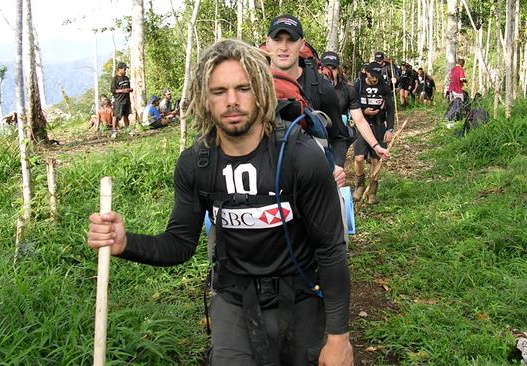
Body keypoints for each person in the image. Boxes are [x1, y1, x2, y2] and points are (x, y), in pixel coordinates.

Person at [86, 38, 353, 366]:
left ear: (260, 92)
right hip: (234, 298)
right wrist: (126, 243)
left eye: (243, 88)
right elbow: (180, 243)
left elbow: (330, 248)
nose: (232, 101)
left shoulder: (300, 156)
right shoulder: (196, 164)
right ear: (204, 99)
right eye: (219, 91)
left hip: (300, 295)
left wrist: (339, 337)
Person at [265, 14, 349, 187]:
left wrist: (337, 166)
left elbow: (339, 137)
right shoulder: (250, 85)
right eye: (278, 39)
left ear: (302, 44)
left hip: (312, 182)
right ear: (267, 43)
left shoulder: (322, 88)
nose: (284, 47)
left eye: (291, 40)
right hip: (264, 184)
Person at [321, 51, 390, 163]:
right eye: (325, 68)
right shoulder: (312, 89)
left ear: (338, 70)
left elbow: (360, 121)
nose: (328, 73)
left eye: (333, 68)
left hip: (338, 138)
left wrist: (376, 146)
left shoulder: (348, 90)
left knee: (335, 171)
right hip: (316, 136)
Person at [352, 62, 395, 204]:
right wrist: (364, 112)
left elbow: (390, 109)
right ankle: (359, 185)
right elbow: (351, 105)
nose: (375, 79)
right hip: (362, 124)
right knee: (359, 158)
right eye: (372, 76)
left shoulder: (383, 86)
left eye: (377, 76)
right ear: (366, 72)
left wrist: (390, 129)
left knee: (376, 159)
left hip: (378, 125)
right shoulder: (358, 86)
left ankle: (372, 191)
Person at [445, 58, 467, 127]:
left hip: (451, 89)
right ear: (462, 63)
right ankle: (450, 118)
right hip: (457, 89)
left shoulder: (453, 69)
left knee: (452, 104)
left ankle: (453, 118)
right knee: (459, 104)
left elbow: (449, 78)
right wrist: (466, 81)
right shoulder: (460, 69)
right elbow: (462, 79)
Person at [111, 62, 133, 130]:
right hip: (119, 101)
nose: (125, 71)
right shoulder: (115, 79)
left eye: (126, 69)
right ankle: (114, 131)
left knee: (126, 115)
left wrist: (129, 90)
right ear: (119, 69)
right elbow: (113, 90)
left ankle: (128, 129)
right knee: (116, 116)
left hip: (126, 100)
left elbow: (128, 88)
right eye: (124, 69)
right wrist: (122, 91)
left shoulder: (126, 78)